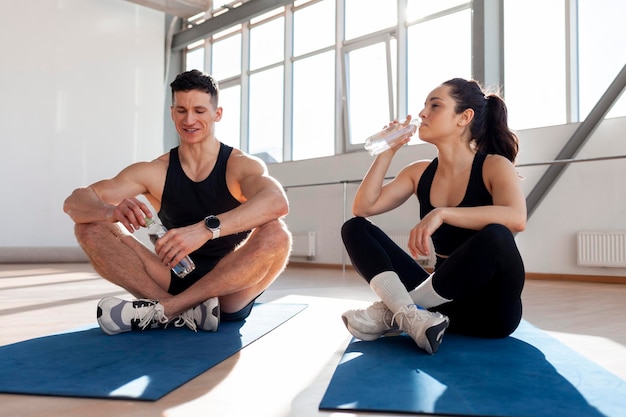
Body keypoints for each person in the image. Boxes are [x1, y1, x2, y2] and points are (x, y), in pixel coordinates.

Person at [64, 69, 292, 335]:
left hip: (229, 289)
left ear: (217, 114)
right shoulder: (155, 171)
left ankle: (166, 310)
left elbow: (277, 201)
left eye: (199, 110)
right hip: (172, 277)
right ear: (172, 113)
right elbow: (75, 202)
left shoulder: (238, 165)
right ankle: (180, 308)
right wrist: (110, 211)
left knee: (277, 233)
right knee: (88, 226)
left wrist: (205, 229)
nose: (189, 119)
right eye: (181, 110)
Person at [341, 78, 526, 354]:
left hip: (491, 314)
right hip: (442, 306)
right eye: (424, 106)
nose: (422, 113)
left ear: (464, 117)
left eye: (435, 105)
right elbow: (364, 208)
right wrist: (386, 152)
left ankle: (392, 313)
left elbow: (516, 218)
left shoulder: (494, 166)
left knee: (496, 235)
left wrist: (442, 213)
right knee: (355, 228)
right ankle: (411, 314)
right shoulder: (419, 172)